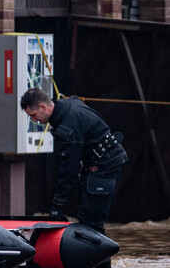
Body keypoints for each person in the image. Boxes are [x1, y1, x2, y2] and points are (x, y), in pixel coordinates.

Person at [20, 88, 128, 237]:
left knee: (92, 222)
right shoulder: (67, 104)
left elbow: (69, 170)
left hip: (105, 166)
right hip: (96, 164)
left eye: (33, 115)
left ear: (43, 107)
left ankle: (97, 257)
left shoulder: (68, 126)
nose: (33, 120)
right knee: (85, 215)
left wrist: (57, 208)